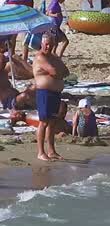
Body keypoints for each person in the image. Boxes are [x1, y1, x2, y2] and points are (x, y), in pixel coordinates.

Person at [32, 33, 69, 162]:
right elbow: (56, 72)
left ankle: (51, 151)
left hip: (55, 94)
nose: (48, 46)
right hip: (44, 93)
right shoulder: (40, 57)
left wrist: (58, 72)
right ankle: (41, 152)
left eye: (51, 44)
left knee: (52, 122)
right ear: (42, 43)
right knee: (44, 122)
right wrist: (57, 72)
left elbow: (66, 71)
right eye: (46, 44)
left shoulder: (53, 57)